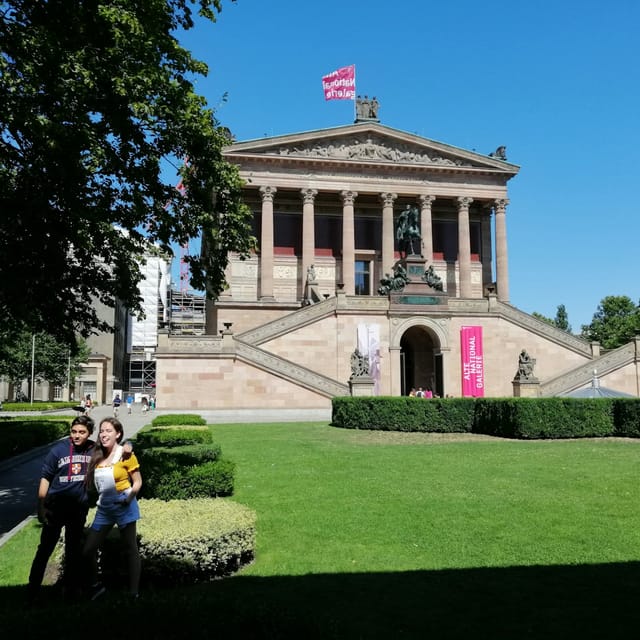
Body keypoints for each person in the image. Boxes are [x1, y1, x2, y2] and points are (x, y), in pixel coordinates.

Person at [27, 415, 96, 603]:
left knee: (73, 551)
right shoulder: (58, 451)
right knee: (45, 550)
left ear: (89, 433)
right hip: (55, 508)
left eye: (82, 432)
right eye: (74, 431)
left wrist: (129, 444)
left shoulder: (94, 450)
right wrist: (40, 507)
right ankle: (32, 591)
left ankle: (70, 591)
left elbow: (116, 448)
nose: (77, 435)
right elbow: (45, 478)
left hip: (77, 509)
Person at [83, 417, 142, 600]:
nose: (104, 434)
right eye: (102, 430)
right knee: (88, 550)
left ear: (118, 434)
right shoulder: (96, 452)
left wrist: (128, 498)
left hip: (124, 506)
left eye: (109, 431)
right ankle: (95, 586)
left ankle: (134, 592)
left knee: (130, 548)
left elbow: (138, 482)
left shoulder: (125, 454)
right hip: (104, 510)